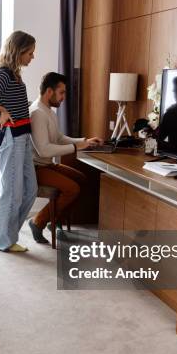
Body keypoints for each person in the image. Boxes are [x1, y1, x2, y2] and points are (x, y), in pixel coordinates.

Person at [0, 30, 38, 252]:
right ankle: (5, 240)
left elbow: (14, 102)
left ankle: (0, 230)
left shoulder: (14, 73)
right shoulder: (4, 74)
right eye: (30, 53)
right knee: (11, 192)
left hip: (22, 137)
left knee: (30, 189)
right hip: (11, 137)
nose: (33, 57)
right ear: (19, 51)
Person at [27, 72, 103, 244]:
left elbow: (59, 137)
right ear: (49, 92)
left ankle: (55, 220)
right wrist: (76, 147)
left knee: (82, 179)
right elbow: (43, 150)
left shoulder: (49, 112)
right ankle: (37, 222)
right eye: (61, 93)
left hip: (47, 165)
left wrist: (84, 141)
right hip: (37, 167)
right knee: (72, 189)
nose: (63, 97)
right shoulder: (37, 113)